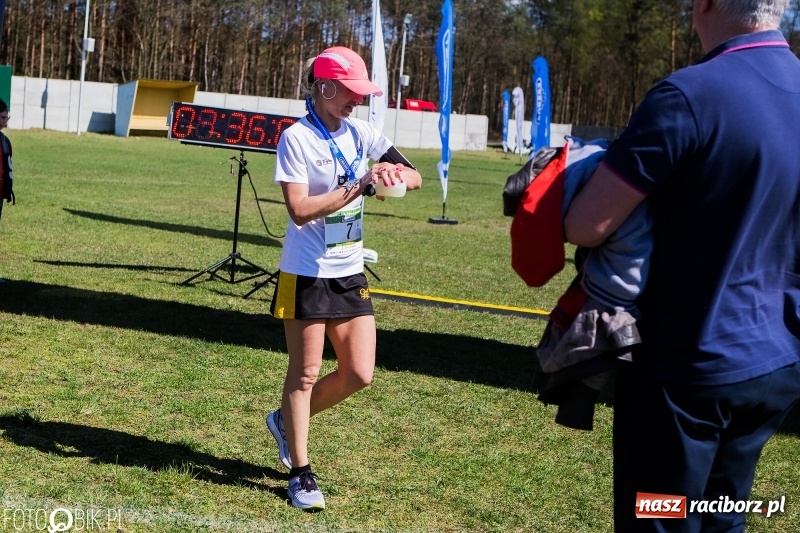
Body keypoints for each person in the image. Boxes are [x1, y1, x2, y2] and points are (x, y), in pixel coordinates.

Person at [565, 1, 800, 531]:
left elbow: (587, 225)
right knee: (724, 513)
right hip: (778, 360)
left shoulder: (688, 94)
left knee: (662, 518)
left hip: (688, 368)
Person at [265, 45, 422, 511]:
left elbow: (414, 177)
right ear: (324, 86)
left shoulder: (362, 132)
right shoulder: (297, 138)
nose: (356, 101)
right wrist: (359, 184)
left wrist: (392, 174)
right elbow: (298, 210)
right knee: (306, 373)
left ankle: (284, 422)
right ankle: (300, 471)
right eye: (350, 92)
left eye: (361, 93)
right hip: (306, 273)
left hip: (349, 271)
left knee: (359, 373)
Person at [0, 99, 14, 284]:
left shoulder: (4, 140)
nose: (6, 120)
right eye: (3, 117)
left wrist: (8, 189)